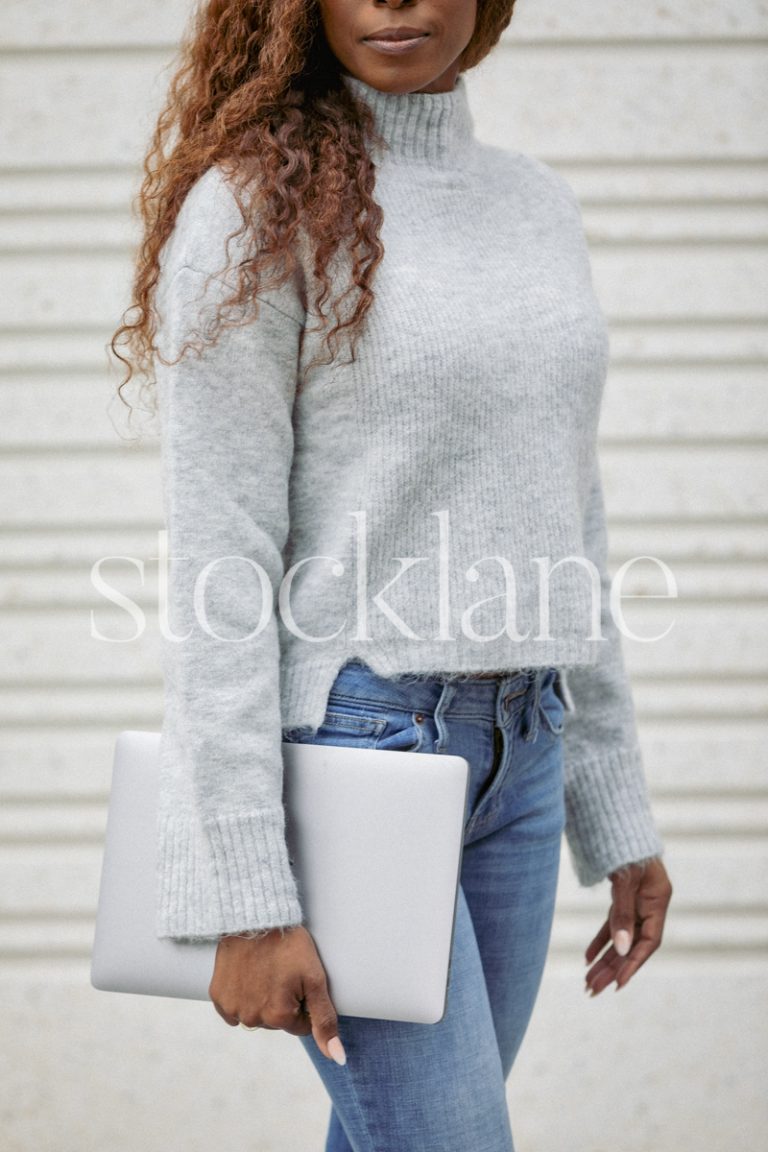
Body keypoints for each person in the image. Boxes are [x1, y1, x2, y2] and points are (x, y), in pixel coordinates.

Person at [111, 0, 673, 1148]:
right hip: (360, 752)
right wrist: (244, 892)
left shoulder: (537, 205)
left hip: (528, 747)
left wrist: (612, 804)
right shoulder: (250, 208)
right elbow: (221, 565)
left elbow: (570, 512)